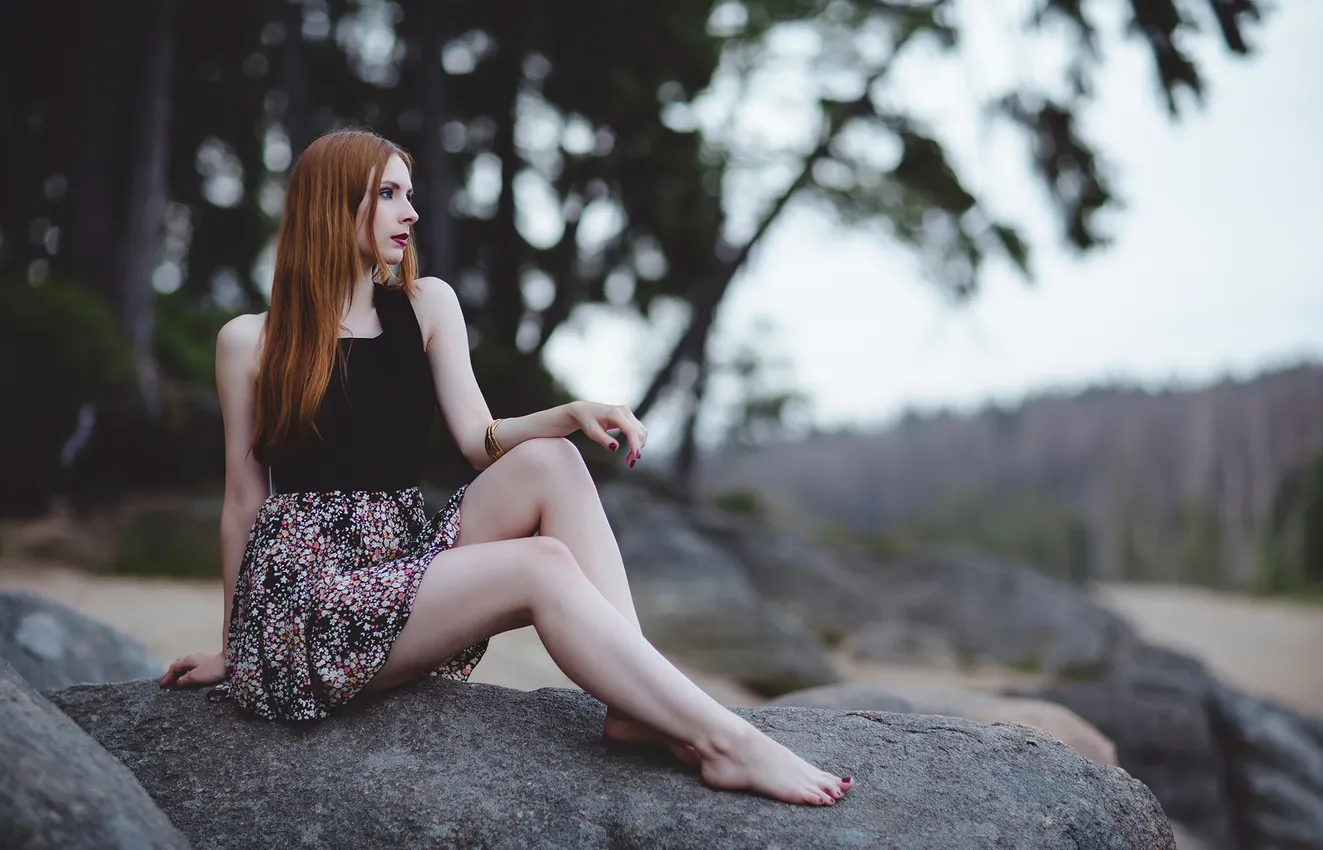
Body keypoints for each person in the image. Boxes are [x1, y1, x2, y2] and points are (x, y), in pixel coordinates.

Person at [158, 128, 854, 806]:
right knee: (540, 565)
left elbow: (478, 438)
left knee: (553, 461)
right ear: (335, 205)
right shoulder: (250, 340)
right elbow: (243, 503)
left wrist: (567, 414)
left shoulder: (428, 305)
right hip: (307, 604)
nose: (411, 212)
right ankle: (728, 742)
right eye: (390, 194)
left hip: (400, 565)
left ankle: (635, 703)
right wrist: (235, 649)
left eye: (410, 194)